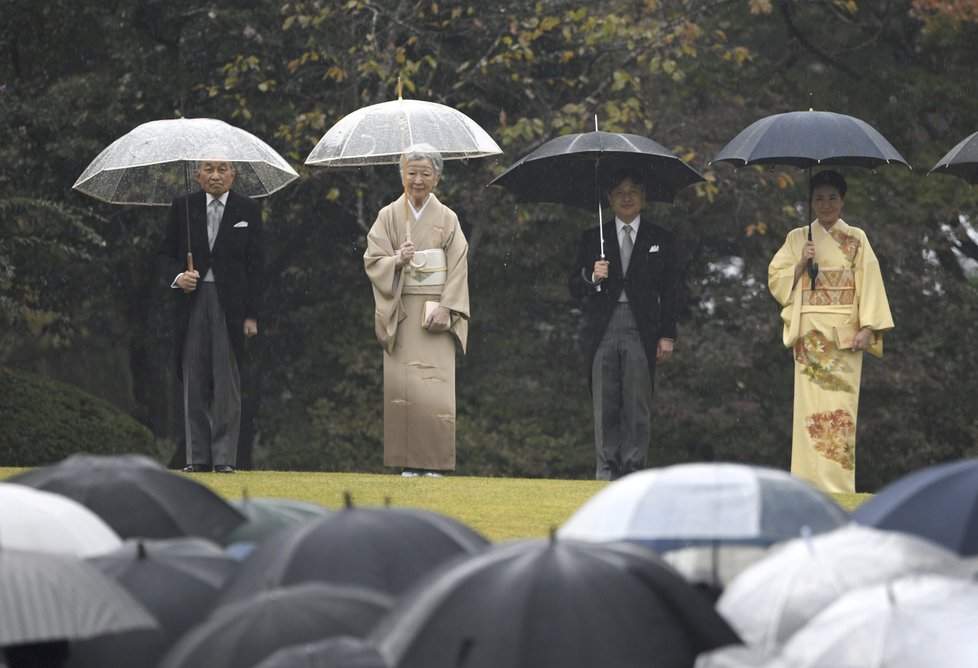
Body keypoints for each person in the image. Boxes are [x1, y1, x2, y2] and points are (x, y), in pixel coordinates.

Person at [768, 169, 893, 493]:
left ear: (843, 201)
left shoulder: (856, 238)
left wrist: (868, 327)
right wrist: (800, 264)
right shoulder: (798, 238)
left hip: (844, 334)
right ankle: (806, 484)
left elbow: (870, 280)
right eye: (819, 198)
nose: (826, 204)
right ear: (810, 202)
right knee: (809, 409)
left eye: (832, 198)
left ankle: (837, 485)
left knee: (840, 409)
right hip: (810, 334)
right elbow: (775, 279)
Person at [364, 145, 470, 477]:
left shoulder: (448, 218)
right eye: (412, 172)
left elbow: (458, 266)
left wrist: (448, 307)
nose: (418, 180)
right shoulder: (388, 215)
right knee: (404, 388)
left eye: (426, 173)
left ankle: (436, 462)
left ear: (438, 177)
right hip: (403, 310)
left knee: (436, 387)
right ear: (401, 175)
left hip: (436, 311)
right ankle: (408, 462)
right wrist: (397, 259)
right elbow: (373, 260)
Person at [569, 169, 678, 481]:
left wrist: (668, 334)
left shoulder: (661, 238)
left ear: (643, 196)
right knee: (604, 401)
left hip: (642, 328)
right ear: (609, 199)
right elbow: (572, 287)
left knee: (637, 403)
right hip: (603, 327)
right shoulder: (593, 238)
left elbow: (670, 291)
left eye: (633, 191)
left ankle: (632, 471)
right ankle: (606, 471)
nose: (626, 198)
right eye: (619, 192)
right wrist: (592, 277)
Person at [157, 159, 264, 474]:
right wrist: (179, 277)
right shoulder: (182, 207)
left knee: (226, 380)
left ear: (233, 174)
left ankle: (224, 459)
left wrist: (252, 315)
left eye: (222, 169)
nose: (215, 175)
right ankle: (197, 457)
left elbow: (257, 266)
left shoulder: (248, 209)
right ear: (197, 174)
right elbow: (163, 254)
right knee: (193, 379)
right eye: (209, 169)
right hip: (192, 302)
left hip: (232, 306)